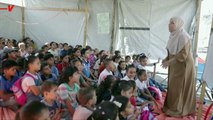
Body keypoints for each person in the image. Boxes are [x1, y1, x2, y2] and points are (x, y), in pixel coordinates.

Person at [161, 17, 196, 117]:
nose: (169, 25)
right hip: (175, 64)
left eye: (172, 23)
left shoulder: (183, 36)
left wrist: (169, 62)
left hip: (183, 65)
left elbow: (183, 55)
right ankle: (171, 107)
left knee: (179, 86)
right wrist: (166, 59)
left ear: (178, 24)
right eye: (169, 23)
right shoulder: (173, 35)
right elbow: (171, 51)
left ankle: (179, 109)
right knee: (173, 86)